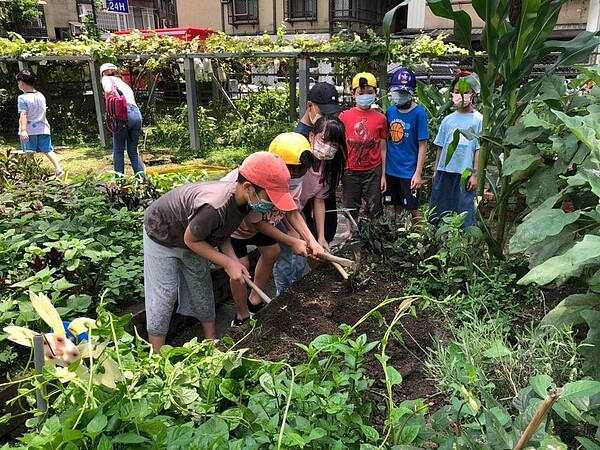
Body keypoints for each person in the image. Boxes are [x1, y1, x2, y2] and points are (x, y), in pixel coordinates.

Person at [143, 152, 296, 352]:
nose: (272, 205)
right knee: (165, 294)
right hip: (162, 233)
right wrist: (227, 263)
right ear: (249, 187)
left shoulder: (244, 202)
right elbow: (191, 240)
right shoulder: (215, 206)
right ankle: (155, 358)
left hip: (194, 235)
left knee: (201, 287)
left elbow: (221, 232)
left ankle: (211, 344)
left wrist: (232, 260)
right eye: (270, 198)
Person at [221, 133, 324, 326]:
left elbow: (291, 212)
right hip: (235, 228)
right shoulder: (252, 182)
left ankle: (255, 301)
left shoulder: (293, 184)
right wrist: (292, 240)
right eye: (292, 170)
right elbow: (255, 223)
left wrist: (312, 241)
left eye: (301, 171)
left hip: (262, 222)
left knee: (272, 252)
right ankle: (242, 315)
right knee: (241, 268)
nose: (295, 176)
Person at [273, 116, 346, 296]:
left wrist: (320, 237)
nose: (328, 147)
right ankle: (282, 297)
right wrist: (293, 231)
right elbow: (283, 202)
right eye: (324, 140)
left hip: (296, 211)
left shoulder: (328, 167)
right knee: (288, 256)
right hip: (279, 211)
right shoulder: (298, 163)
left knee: (301, 256)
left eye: (334, 144)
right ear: (311, 137)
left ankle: (295, 291)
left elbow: (319, 200)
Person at [429, 70, 482, 227]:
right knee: (440, 208)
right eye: (457, 92)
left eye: (465, 92)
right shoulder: (447, 120)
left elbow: (479, 149)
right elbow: (440, 147)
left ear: (473, 94)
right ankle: (441, 240)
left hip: (465, 173)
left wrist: (475, 174)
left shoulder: (478, 120)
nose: (460, 96)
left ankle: (464, 243)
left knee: (464, 209)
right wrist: (436, 170)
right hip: (445, 171)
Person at [339, 72, 388, 227]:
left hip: (373, 171)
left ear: (375, 93)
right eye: (361, 93)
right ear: (353, 94)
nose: (365, 96)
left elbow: (383, 147)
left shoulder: (381, 118)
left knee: (374, 207)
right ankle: (350, 236)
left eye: (369, 93)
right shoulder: (344, 116)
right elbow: (340, 146)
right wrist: (340, 172)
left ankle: (373, 237)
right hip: (350, 170)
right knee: (349, 207)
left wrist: (383, 175)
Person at [296, 82, 342, 245]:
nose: (329, 119)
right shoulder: (298, 142)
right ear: (310, 106)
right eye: (324, 113)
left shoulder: (325, 136)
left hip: (320, 197)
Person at [384, 68, 429, 221]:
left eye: (404, 93)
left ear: (411, 93)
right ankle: (400, 235)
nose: (399, 96)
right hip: (391, 169)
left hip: (409, 171)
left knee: (412, 208)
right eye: (397, 92)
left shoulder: (419, 113)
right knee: (396, 206)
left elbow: (423, 144)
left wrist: (418, 173)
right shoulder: (390, 112)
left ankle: (421, 236)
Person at [100, 62, 145, 177]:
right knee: (133, 152)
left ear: (103, 73)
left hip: (124, 115)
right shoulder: (124, 84)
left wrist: (108, 102)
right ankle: (143, 181)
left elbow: (108, 90)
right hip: (136, 115)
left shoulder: (106, 79)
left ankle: (120, 183)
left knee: (118, 150)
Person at [16, 70, 64, 178]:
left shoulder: (22, 98)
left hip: (29, 131)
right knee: (48, 150)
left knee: (29, 152)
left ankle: (31, 172)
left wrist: (23, 130)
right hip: (43, 128)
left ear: (22, 83)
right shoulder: (41, 95)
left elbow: (23, 114)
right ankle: (58, 169)